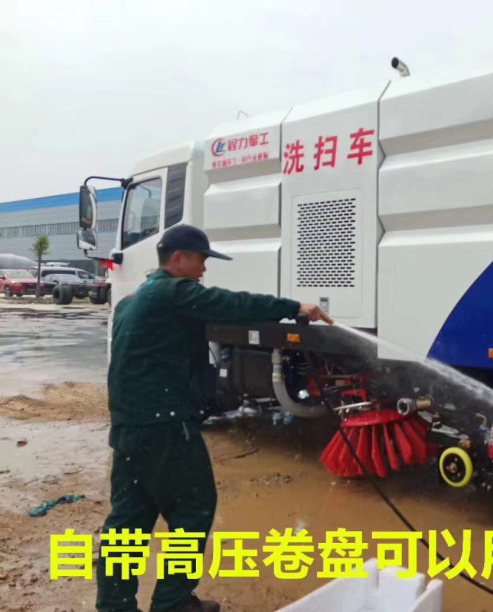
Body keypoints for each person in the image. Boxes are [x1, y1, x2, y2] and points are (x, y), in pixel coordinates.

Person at [96, 224, 332, 612]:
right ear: (179, 259)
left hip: (128, 427)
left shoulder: (134, 300)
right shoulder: (173, 292)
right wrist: (293, 307)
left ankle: (114, 606)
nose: (204, 270)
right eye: (201, 260)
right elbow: (232, 304)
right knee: (193, 509)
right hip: (165, 425)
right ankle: (173, 604)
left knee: (128, 520)